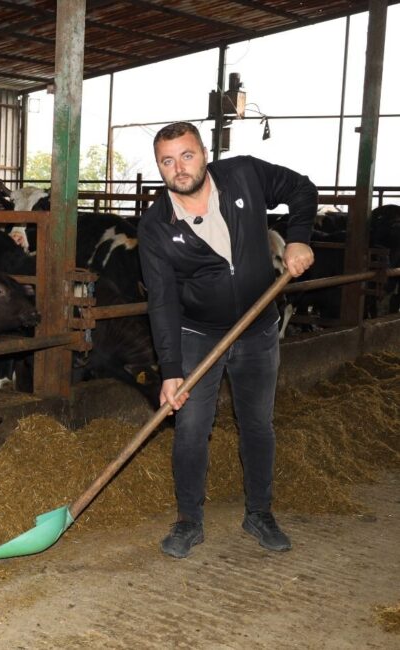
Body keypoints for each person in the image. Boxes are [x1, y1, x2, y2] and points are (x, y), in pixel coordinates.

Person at [137, 122, 316, 559]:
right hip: (197, 334)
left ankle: (259, 513)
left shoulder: (244, 175)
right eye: (167, 160)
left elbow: (303, 190)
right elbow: (161, 302)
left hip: (258, 330)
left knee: (257, 424)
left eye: (187, 155)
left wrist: (297, 239)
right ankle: (188, 522)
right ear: (159, 167)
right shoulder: (156, 226)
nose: (178, 167)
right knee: (192, 429)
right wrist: (171, 371)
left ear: (204, 152)